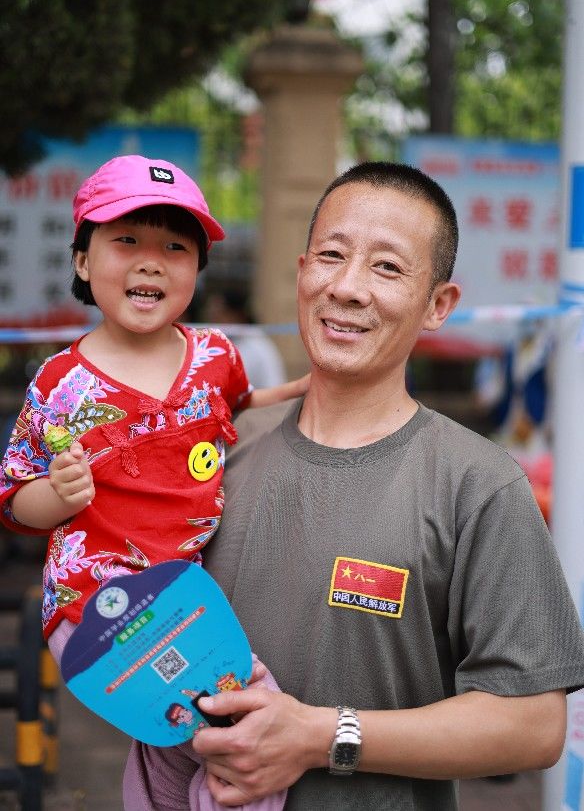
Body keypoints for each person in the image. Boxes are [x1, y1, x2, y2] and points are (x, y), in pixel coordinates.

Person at [177, 161, 584, 810]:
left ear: (438, 304)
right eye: (332, 257)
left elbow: (533, 725)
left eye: (387, 268)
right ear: (303, 270)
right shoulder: (218, 451)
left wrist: (320, 736)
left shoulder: (477, 485)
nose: (348, 287)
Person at [0, 154, 303, 810]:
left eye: (175, 246)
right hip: (99, 601)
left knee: (174, 752)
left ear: (197, 266)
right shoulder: (61, 385)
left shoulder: (217, 355)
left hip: (188, 593)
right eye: (127, 241)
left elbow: (243, 407)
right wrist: (59, 494)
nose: (151, 261)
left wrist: (320, 386)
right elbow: (16, 502)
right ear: (82, 259)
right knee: (253, 726)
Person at [204, 287, 287, 389]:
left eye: (218, 314)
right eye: (211, 315)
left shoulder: (258, 345)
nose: (213, 320)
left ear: (236, 314)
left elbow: (274, 387)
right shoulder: (213, 342)